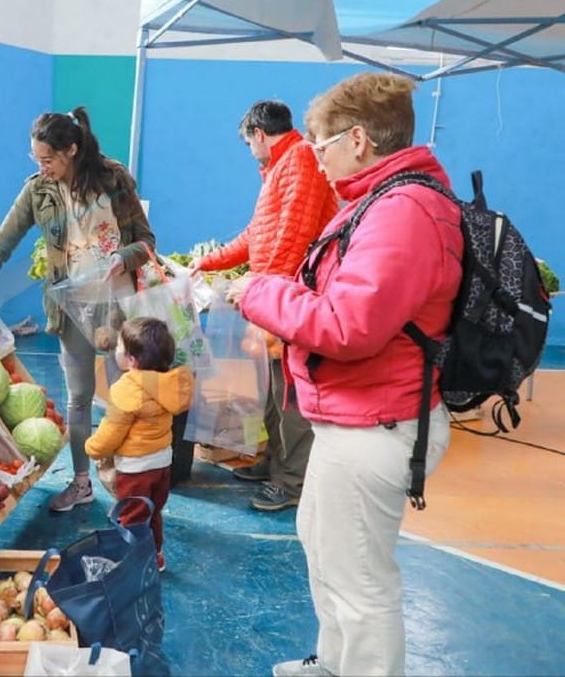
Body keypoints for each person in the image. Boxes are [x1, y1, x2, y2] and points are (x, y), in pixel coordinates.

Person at [229, 72, 463, 677]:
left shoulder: (403, 212)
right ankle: (334, 665)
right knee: (328, 552)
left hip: (375, 425)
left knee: (361, 584)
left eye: (320, 144)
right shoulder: (384, 202)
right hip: (356, 418)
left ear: (357, 140)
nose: (316, 157)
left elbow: (347, 327)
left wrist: (259, 292)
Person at [0, 107, 155, 512]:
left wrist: (121, 258)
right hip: (69, 309)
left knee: (127, 400)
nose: (42, 168)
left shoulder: (114, 180)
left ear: (71, 150)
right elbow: (0, 244)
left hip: (119, 310)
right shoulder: (38, 191)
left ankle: (132, 487)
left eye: (48, 159)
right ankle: (81, 483)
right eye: (36, 159)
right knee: (78, 399)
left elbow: (146, 241)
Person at [195, 99, 338, 511]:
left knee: (290, 390)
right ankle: (276, 461)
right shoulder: (281, 167)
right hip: (278, 296)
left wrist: (259, 289)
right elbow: (256, 236)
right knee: (274, 388)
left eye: (248, 143)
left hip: (290, 301)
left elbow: (293, 236)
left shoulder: (299, 159)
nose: (250, 152)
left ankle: (291, 482)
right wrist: (207, 262)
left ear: (259, 135)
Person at [84, 317, 193, 572]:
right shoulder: (169, 382)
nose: (117, 350)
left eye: (120, 347)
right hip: (163, 463)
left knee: (132, 518)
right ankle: (155, 556)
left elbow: (112, 431)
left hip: (136, 470)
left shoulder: (127, 389)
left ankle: (135, 565)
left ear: (132, 360)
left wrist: (93, 447)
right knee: (153, 513)